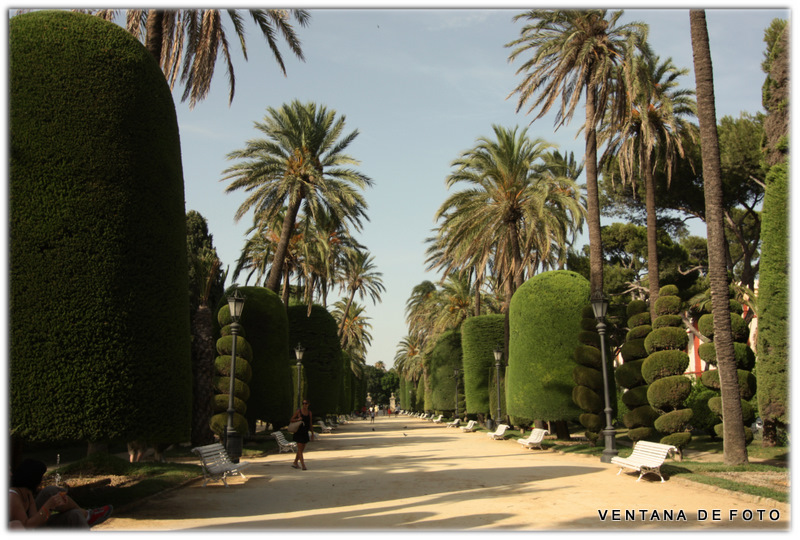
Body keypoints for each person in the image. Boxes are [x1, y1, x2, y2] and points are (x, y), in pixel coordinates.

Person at [9, 458, 113, 529]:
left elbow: (36, 519)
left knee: (75, 514)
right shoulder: (13, 496)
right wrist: (48, 506)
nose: (42, 481)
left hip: (34, 526)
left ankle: (85, 515)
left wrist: (54, 504)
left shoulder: (27, 493)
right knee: (50, 491)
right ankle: (87, 515)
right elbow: (27, 527)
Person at [289, 399, 314, 470]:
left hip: (305, 432)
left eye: (306, 403)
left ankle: (295, 463)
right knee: (300, 449)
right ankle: (303, 465)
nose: (304, 405)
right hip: (299, 432)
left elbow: (310, 423)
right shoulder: (299, 411)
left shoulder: (309, 413)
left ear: (308, 404)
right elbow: (291, 419)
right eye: (303, 403)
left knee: (302, 449)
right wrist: (298, 419)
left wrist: (312, 433)